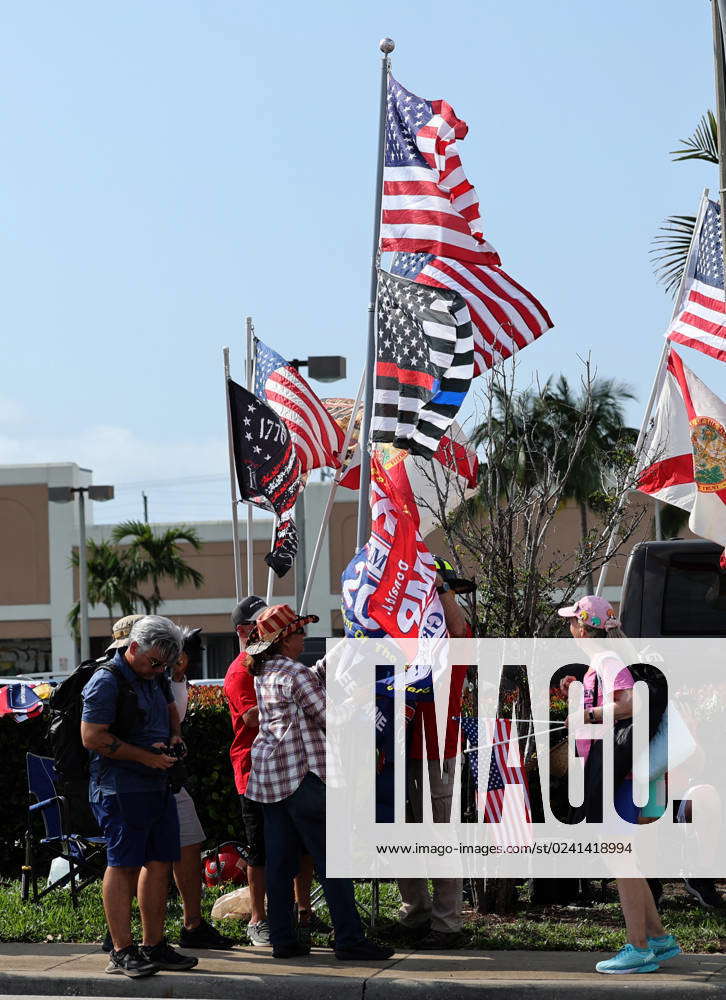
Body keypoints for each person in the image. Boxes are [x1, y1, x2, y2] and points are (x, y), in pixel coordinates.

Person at [244, 604, 395, 962]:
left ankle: (283, 938)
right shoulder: (295, 675)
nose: (303, 638)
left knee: (280, 865)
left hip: (270, 780)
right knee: (334, 863)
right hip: (304, 779)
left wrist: (343, 648)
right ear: (283, 639)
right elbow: (333, 718)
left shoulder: (265, 671)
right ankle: (349, 939)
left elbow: (309, 678)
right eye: (299, 633)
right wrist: (361, 698)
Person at [557, 595, 680, 975]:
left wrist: (588, 712)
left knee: (620, 859)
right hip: (620, 775)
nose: (569, 629)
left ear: (581, 628)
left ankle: (638, 948)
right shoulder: (604, 661)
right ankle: (658, 939)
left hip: (619, 777)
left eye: (571, 623)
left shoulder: (608, 661)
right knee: (627, 860)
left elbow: (630, 703)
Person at [81, 616, 198, 978]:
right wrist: (145, 756)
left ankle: (154, 945)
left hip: (157, 784)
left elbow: (169, 709)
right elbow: (92, 737)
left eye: (164, 666)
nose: (157, 671)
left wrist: (175, 736)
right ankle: (121, 951)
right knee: (124, 864)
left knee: (160, 861)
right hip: (120, 788)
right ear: (133, 648)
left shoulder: (156, 675)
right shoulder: (105, 682)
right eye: (153, 663)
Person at [224, 597, 327, 947]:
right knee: (264, 853)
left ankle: (300, 915)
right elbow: (255, 717)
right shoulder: (244, 670)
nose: (304, 637)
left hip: (288, 773)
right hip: (257, 774)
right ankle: (258, 919)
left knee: (296, 852)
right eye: (299, 631)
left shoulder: (272, 668)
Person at [397, 556, 473, 950]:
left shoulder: (456, 634)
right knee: (405, 836)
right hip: (400, 750)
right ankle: (416, 912)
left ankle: (447, 924)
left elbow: (457, 625)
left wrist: (440, 586)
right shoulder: (412, 636)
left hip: (436, 749)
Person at [168, 627, 233, 949]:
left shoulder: (166, 680)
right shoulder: (142, 681)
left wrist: (178, 677)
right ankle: (124, 938)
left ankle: (192, 924)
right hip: (149, 782)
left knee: (188, 846)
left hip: (168, 780)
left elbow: (176, 720)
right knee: (141, 861)